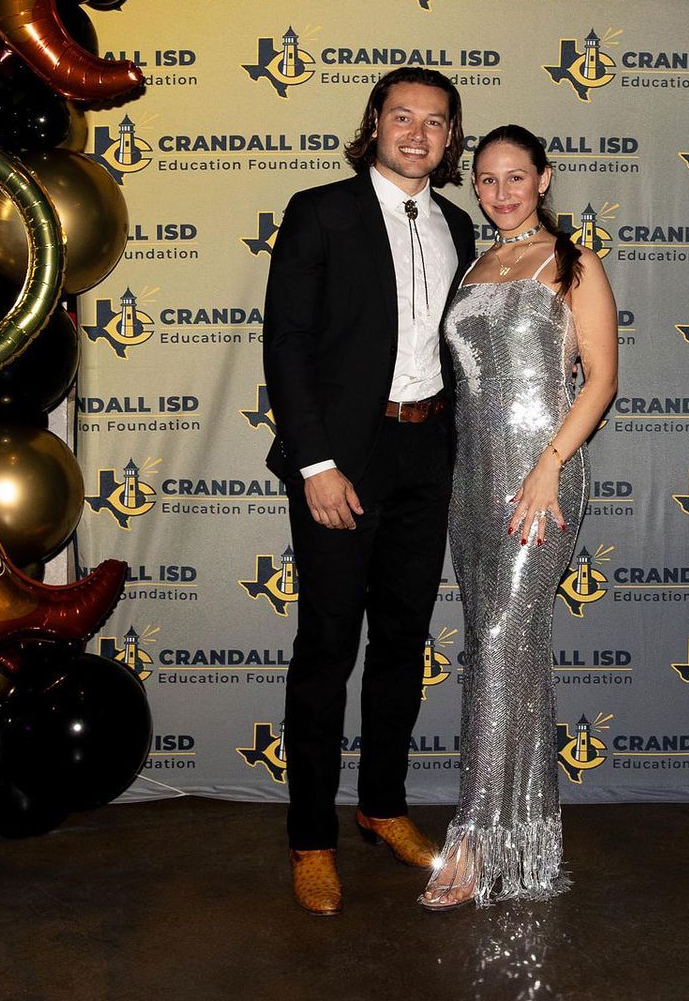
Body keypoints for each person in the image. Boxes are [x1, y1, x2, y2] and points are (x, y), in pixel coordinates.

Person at [263, 67, 479, 916]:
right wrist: (315, 464)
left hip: (427, 454)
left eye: (436, 121)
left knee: (402, 645)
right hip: (342, 462)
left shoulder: (459, 225)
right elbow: (287, 342)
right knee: (326, 650)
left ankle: (383, 808)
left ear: (451, 137)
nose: (418, 133)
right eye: (403, 117)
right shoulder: (322, 211)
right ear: (375, 124)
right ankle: (310, 840)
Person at [419, 124, 619, 910]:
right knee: (503, 651)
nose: (501, 192)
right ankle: (526, 844)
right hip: (471, 483)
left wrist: (549, 465)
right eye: (487, 181)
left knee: (502, 640)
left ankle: (474, 842)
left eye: (515, 177)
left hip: (544, 477)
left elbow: (600, 379)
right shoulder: (473, 267)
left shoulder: (574, 264)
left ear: (544, 178)